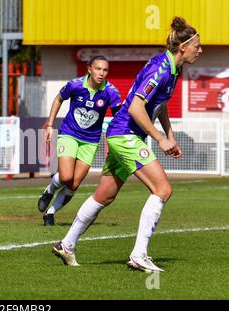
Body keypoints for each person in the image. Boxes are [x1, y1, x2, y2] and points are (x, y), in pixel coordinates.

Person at [52, 17, 202, 271]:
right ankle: (139, 255)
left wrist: (170, 134)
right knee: (162, 189)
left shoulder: (173, 69)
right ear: (183, 47)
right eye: (197, 45)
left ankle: (66, 244)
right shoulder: (161, 69)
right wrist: (159, 139)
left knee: (105, 195)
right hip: (125, 135)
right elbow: (135, 107)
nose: (200, 50)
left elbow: (159, 103)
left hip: (124, 135)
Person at [38, 56, 121, 226]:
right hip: (69, 134)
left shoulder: (111, 92)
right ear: (89, 69)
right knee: (67, 176)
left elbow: (119, 117)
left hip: (90, 141)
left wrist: (116, 140)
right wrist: (50, 125)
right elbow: (58, 99)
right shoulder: (75, 85)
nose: (102, 73)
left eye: (105, 70)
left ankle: (51, 213)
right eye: (98, 69)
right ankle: (50, 190)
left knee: (74, 184)